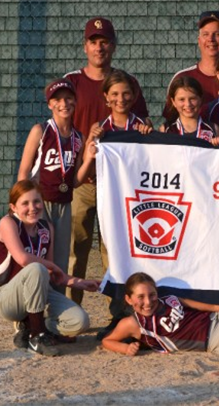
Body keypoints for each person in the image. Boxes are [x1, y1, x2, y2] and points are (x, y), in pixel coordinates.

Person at [63, 17, 150, 309]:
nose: (99, 47)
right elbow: (62, 129)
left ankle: (120, 310)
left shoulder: (127, 84)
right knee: (76, 248)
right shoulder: (73, 82)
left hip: (118, 185)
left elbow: (144, 127)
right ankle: (68, 310)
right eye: (93, 41)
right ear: (85, 46)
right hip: (82, 180)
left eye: (105, 42)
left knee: (115, 249)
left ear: (113, 46)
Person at [0, 180, 102, 357]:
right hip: (6, 296)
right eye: (25, 203)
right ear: (13, 207)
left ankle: (32, 327)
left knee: (80, 321)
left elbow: (53, 274)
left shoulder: (46, 228)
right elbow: (23, 258)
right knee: (36, 268)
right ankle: (37, 336)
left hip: (38, 292)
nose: (32, 207)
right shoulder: (8, 222)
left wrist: (81, 283)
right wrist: (52, 266)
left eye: (37, 201)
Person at [102, 272, 219, 358]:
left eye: (151, 294)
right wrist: (125, 349)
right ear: (128, 299)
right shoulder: (133, 323)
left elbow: (209, 307)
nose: (148, 301)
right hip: (216, 338)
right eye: (140, 297)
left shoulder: (170, 299)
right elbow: (108, 341)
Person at [16, 79, 94, 275]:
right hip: (39, 203)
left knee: (59, 260)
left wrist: (90, 159)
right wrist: (22, 205)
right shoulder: (40, 131)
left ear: (75, 102)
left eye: (68, 99)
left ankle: (56, 301)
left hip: (64, 204)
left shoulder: (79, 138)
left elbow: (75, 181)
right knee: (36, 254)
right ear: (50, 104)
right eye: (57, 100)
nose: (64, 104)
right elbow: (24, 172)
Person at [162, 75, 219, 145]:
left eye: (192, 99)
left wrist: (216, 145)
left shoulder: (213, 129)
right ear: (173, 102)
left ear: (200, 99)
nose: (188, 104)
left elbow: (218, 155)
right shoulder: (166, 129)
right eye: (182, 99)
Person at [91, 70, 153, 136]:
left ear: (133, 95)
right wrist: (91, 138)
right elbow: (88, 146)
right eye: (115, 94)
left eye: (126, 94)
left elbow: (155, 145)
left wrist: (148, 135)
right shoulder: (98, 127)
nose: (121, 99)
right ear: (107, 97)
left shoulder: (144, 123)